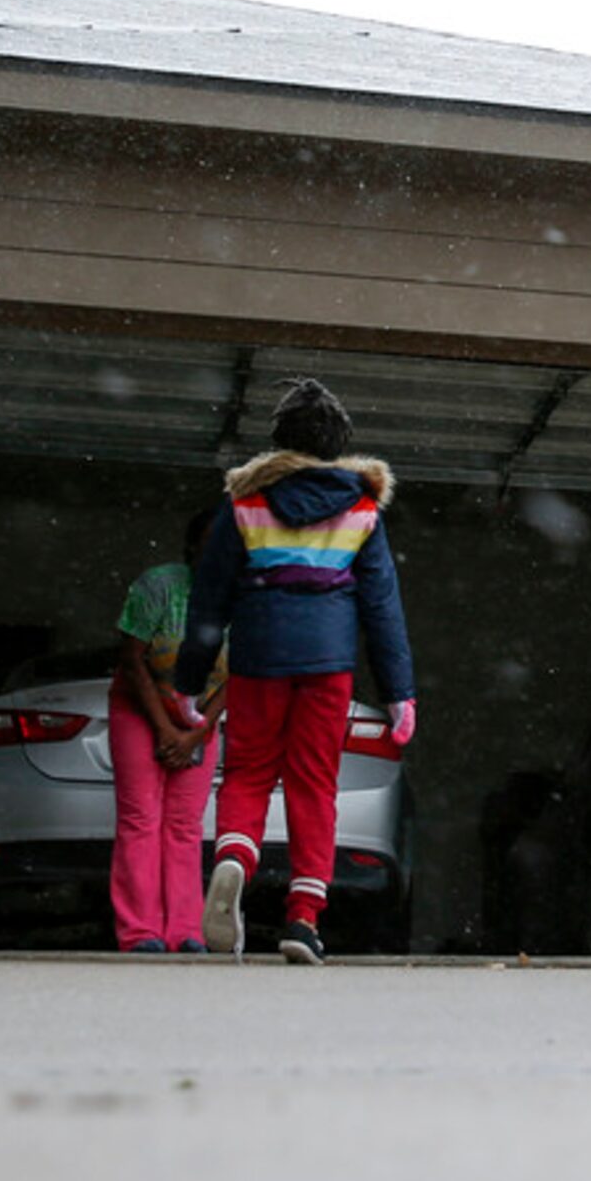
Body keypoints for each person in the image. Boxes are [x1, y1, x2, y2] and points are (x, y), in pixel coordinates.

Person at [174, 377, 417, 965]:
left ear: (279, 440)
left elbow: (210, 599)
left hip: (258, 658)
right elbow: (382, 606)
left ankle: (235, 857)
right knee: (314, 784)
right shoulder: (362, 511)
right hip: (328, 665)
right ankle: (303, 919)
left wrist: (189, 681)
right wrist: (399, 692)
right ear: (339, 445)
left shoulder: (246, 505)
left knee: (249, 773)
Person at [109, 508, 228, 953]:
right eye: (212, 541)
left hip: (199, 718)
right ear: (194, 545)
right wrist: (163, 729)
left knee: (184, 824)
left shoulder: (246, 597)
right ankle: (140, 932)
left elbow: (241, 674)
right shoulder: (159, 585)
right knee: (141, 817)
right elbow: (132, 658)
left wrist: (197, 733)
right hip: (141, 709)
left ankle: (185, 931)